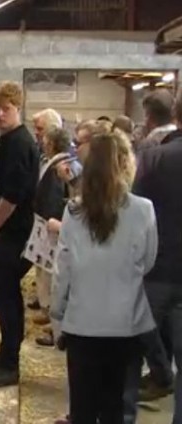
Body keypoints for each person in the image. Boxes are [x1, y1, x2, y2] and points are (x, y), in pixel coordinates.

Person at [50, 129, 158, 424]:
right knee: (116, 411)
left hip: (82, 326)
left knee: (82, 409)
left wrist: (57, 315)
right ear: (126, 164)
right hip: (127, 326)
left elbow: (63, 270)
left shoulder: (74, 212)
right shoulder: (144, 211)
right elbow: (147, 262)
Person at [0, 81, 39, 389]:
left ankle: (10, 365)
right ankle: (5, 352)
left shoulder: (19, 143)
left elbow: (12, 197)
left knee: (7, 298)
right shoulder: (7, 140)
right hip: (0, 235)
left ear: (18, 108)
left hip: (9, 236)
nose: (0, 114)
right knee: (0, 297)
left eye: (6, 109)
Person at [129, 88, 182, 416]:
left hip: (158, 268)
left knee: (134, 344)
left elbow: (135, 217)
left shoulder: (154, 157)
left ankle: (124, 413)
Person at [28, 127, 74, 340]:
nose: (43, 142)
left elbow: (55, 196)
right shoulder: (53, 161)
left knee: (51, 274)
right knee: (44, 272)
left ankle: (55, 325)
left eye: (46, 139)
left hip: (51, 225)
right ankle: (49, 315)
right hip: (46, 223)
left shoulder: (60, 165)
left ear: (53, 143)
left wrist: (50, 221)